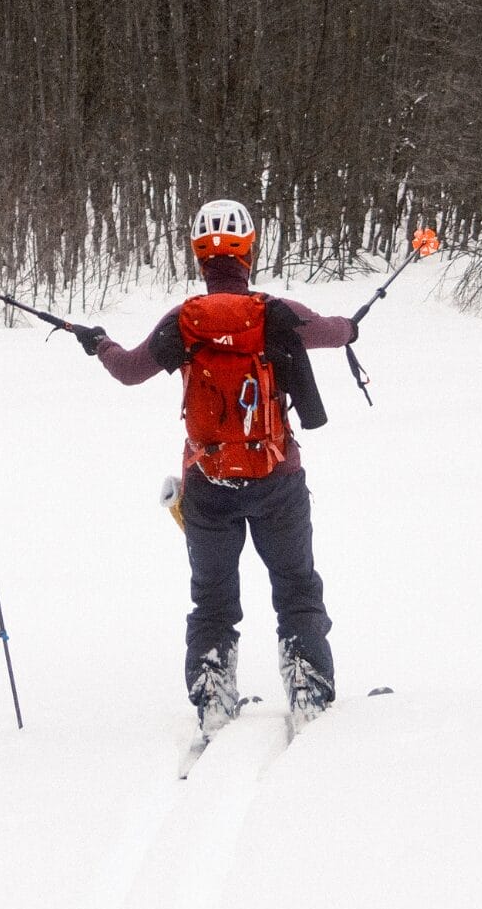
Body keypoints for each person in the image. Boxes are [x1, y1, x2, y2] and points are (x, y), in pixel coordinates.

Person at [71, 199, 356, 734]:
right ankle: (307, 684)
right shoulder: (276, 312)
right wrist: (352, 327)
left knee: (213, 599)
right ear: (249, 251)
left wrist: (99, 344)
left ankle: (212, 695)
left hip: (207, 483)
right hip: (277, 477)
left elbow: (130, 371)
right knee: (296, 586)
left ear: (199, 257)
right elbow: (333, 332)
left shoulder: (183, 321)